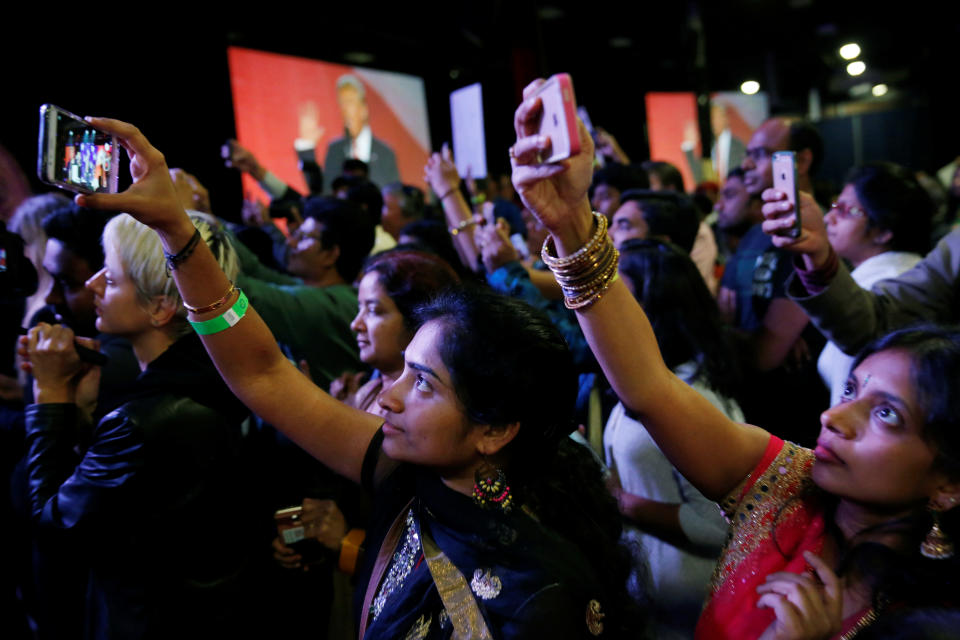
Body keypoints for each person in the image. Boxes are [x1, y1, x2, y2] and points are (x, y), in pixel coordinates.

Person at [74, 117, 638, 639]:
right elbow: (262, 372)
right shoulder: (407, 470)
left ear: (493, 430)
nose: (387, 395)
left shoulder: (540, 594)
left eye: (422, 384)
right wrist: (175, 231)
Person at [510, 79, 960, 639]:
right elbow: (650, 389)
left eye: (887, 413)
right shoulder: (786, 485)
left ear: (948, 481)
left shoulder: (934, 623)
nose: (833, 417)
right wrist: (572, 222)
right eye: (851, 391)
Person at [21, 213, 256, 639]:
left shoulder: (144, 422)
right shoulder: (223, 381)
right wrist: (85, 414)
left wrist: (51, 394)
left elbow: (51, 528)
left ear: (161, 307)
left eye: (110, 278)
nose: (92, 283)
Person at [607, 238, 741, 639]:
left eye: (618, 296)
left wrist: (622, 502)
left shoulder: (692, 398)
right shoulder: (646, 382)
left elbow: (720, 526)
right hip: (655, 604)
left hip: (694, 610)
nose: (604, 309)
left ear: (654, 309)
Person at [815, 164, 932, 405]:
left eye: (846, 210)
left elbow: (852, 398)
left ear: (883, 231)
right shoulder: (899, 273)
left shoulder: (886, 285)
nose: (829, 217)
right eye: (835, 205)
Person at [322, 74, 400, 192]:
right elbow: (326, 192)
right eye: (341, 103)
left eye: (349, 102)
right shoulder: (334, 149)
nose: (344, 109)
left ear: (364, 109)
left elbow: (394, 195)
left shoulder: (386, 153)